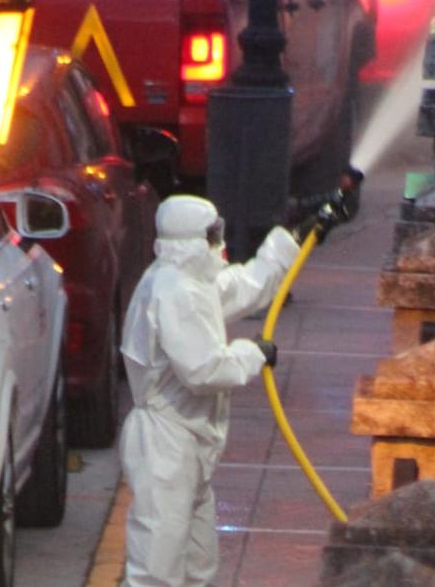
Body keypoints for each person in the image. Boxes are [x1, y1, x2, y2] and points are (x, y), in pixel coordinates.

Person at [117, 194, 298, 586]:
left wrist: (287, 237)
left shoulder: (190, 283)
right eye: (212, 234)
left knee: (197, 564)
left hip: (189, 441)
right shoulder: (173, 289)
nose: (220, 243)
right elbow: (204, 369)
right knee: (157, 569)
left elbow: (243, 285)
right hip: (166, 444)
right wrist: (253, 353)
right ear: (191, 241)